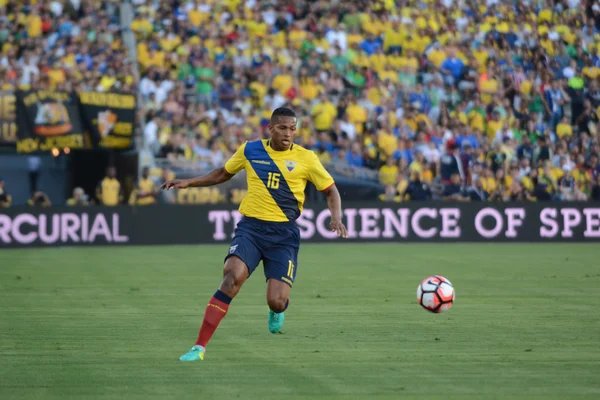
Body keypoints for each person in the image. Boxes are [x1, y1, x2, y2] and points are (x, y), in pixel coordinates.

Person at [161, 108, 348, 361]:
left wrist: (335, 217)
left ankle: (278, 308)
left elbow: (331, 191)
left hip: (284, 235)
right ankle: (199, 347)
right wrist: (189, 182)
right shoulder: (251, 150)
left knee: (277, 301)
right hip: (251, 229)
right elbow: (222, 173)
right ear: (270, 129)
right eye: (283, 128)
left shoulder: (307, 158)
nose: (288, 133)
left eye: (292, 129)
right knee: (231, 278)